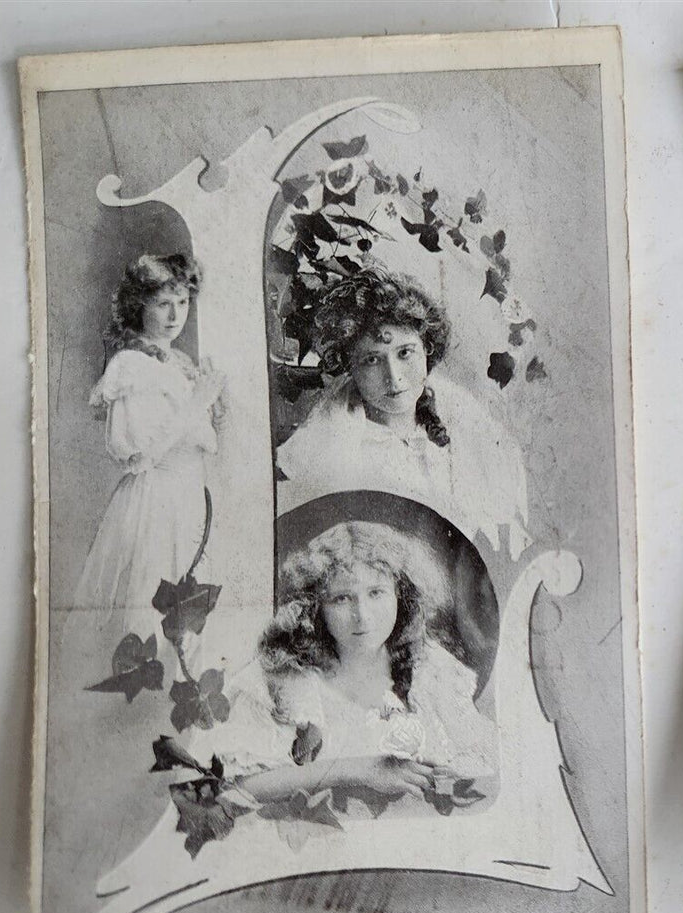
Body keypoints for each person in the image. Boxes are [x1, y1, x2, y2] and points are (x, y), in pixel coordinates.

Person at [188, 520, 497, 803]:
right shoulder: (287, 678)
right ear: (315, 607)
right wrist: (357, 770)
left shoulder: (430, 669)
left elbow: (484, 759)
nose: (362, 616)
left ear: (400, 596)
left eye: (376, 593)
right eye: (342, 598)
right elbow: (229, 787)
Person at [275, 267, 530, 559]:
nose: (393, 377)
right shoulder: (330, 447)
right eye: (372, 360)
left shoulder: (466, 422)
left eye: (405, 352)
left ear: (426, 349)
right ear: (350, 367)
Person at [71, 253, 225, 657]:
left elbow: (198, 439)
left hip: (190, 499)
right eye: (163, 303)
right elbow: (141, 453)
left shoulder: (180, 363)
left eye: (183, 302)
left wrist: (214, 406)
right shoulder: (130, 365)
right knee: (151, 611)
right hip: (156, 502)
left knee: (191, 617)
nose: (175, 315)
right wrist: (198, 404)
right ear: (140, 305)